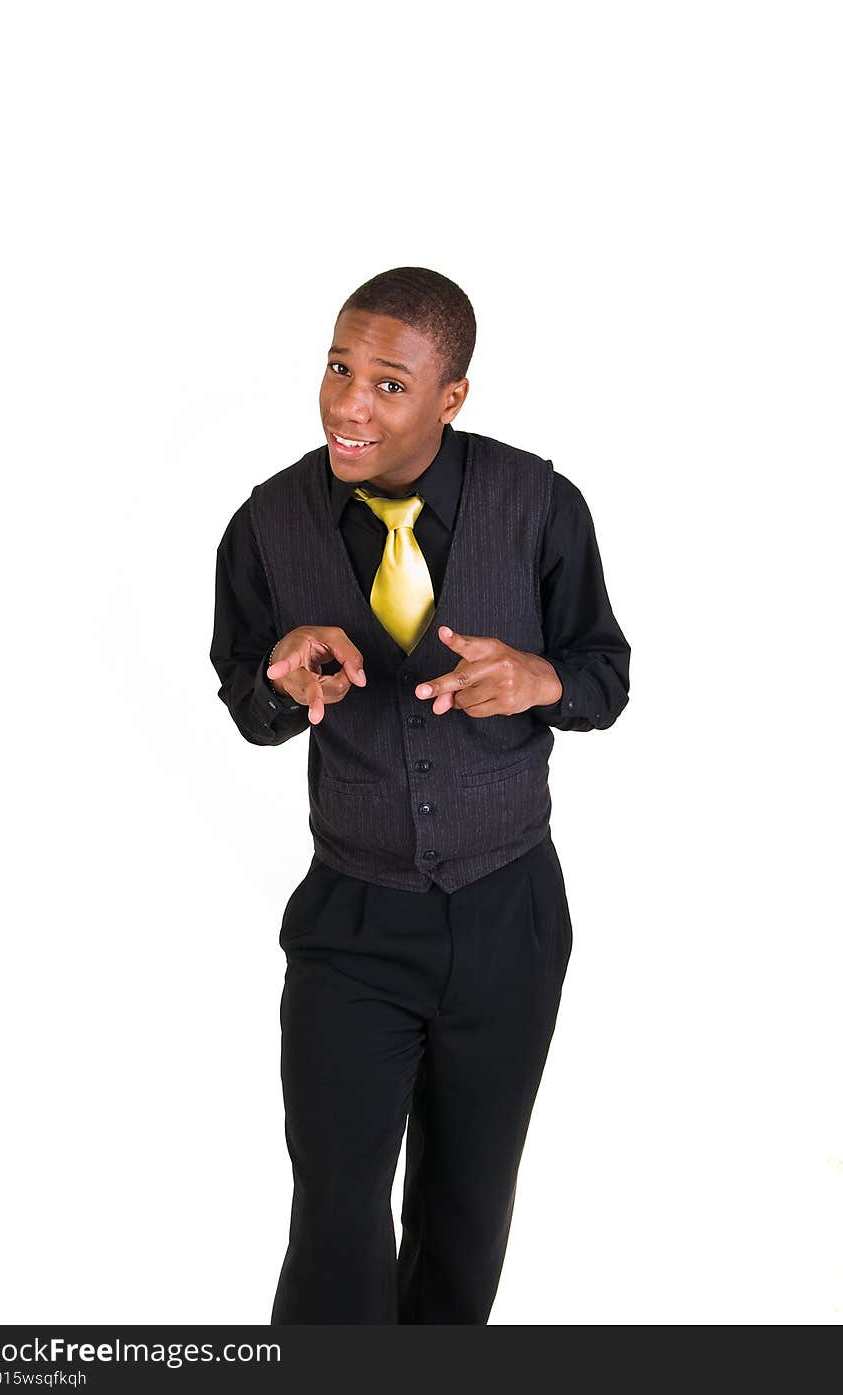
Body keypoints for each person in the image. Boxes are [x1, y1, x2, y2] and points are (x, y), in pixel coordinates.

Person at [210, 266, 631, 1324]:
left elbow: (602, 673)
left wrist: (541, 680)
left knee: (464, 1216)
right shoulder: (265, 526)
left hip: (510, 915)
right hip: (352, 922)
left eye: (390, 384)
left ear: (452, 398)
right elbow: (247, 702)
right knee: (337, 1217)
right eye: (339, 369)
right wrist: (276, 680)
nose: (349, 404)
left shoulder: (538, 505)